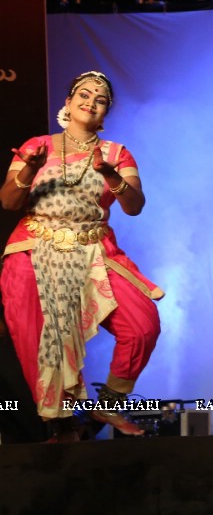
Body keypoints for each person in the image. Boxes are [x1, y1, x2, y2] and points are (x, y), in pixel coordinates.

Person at [0, 71, 162, 440]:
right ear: (69, 102)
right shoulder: (37, 144)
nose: (90, 102)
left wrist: (111, 175)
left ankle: (109, 402)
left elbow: (135, 205)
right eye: (84, 95)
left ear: (104, 114)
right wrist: (29, 167)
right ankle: (61, 426)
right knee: (41, 340)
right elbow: (9, 201)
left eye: (100, 99)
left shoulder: (117, 153)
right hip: (34, 249)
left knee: (142, 324)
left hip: (94, 249)